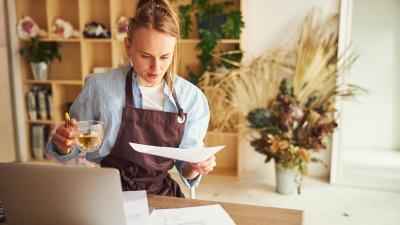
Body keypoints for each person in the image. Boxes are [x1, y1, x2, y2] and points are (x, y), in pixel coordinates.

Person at [47, 0, 215, 198]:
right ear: (128, 46)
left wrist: (196, 165)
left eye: (164, 57)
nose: (156, 68)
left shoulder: (192, 99)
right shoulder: (99, 88)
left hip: (162, 196)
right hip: (108, 192)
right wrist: (63, 142)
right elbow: (72, 146)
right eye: (146, 56)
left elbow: (186, 169)